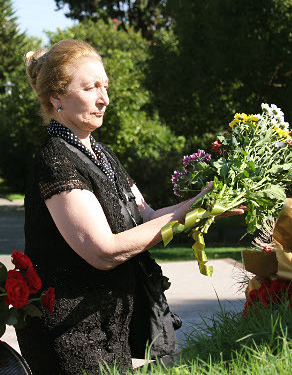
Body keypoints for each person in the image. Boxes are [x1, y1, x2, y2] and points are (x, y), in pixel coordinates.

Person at [15, 39, 244, 374]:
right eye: (91, 87)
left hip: (110, 325)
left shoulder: (100, 153)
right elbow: (103, 251)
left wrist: (204, 206)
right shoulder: (55, 159)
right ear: (56, 96)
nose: (104, 98)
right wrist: (187, 210)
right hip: (69, 334)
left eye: (105, 86)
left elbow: (147, 218)